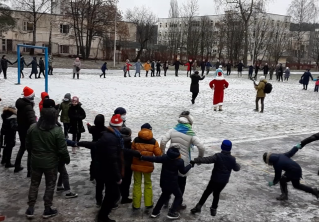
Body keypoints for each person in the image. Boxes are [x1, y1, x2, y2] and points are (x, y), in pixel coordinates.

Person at [25, 99, 70, 219]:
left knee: (34, 184)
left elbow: (28, 145)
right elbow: (62, 148)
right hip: (50, 163)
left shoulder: (33, 128)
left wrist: (34, 153)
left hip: (36, 161)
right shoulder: (56, 131)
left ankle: (30, 208)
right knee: (50, 185)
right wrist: (66, 159)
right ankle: (47, 208)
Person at [160, 111, 205, 209]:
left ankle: (165, 200)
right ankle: (178, 203)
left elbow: (163, 141)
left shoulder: (173, 130)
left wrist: (163, 154)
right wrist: (200, 158)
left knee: (169, 181)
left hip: (170, 159)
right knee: (181, 183)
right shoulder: (191, 133)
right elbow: (201, 146)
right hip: (183, 163)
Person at [139, 146, 193, 220]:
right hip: (173, 183)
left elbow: (154, 159)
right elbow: (183, 171)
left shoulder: (165, 158)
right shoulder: (179, 161)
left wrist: (143, 157)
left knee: (164, 195)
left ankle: (155, 212)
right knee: (178, 196)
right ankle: (172, 212)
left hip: (164, 182)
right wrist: (190, 165)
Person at [190, 140, 240, 217]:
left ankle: (198, 207)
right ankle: (213, 209)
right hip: (223, 182)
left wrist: (196, 160)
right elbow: (236, 168)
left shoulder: (218, 156)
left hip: (215, 180)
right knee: (216, 193)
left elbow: (207, 160)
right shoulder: (232, 159)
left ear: (222, 147)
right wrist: (237, 165)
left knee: (207, 192)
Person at [131, 123, 162, 211]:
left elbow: (132, 151)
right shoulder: (153, 141)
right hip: (147, 166)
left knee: (137, 184)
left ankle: (136, 204)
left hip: (136, 166)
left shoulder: (136, 140)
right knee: (148, 184)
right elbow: (158, 154)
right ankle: (148, 203)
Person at [14, 86, 37, 176]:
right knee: (30, 151)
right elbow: (32, 120)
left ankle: (17, 165)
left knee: (22, 147)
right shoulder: (28, 107)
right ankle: (30, 171)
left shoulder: (21, 104)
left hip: (21, 130)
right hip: (28, 131)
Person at [87, 114, 107, 181]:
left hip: (94, 145)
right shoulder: (105, 129)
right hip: (103, 146)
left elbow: (90, 130)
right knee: (102, 161)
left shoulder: (93, 128)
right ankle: (101, 173)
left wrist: (88, 126)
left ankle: (92, 175)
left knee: (93, 161)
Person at [119, 127, 133, 204]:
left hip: (119, 165)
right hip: (128, 166)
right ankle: (124, 197)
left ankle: (118, 196)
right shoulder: (130, 144)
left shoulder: (117, 142)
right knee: (127, 182)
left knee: (119, 181)